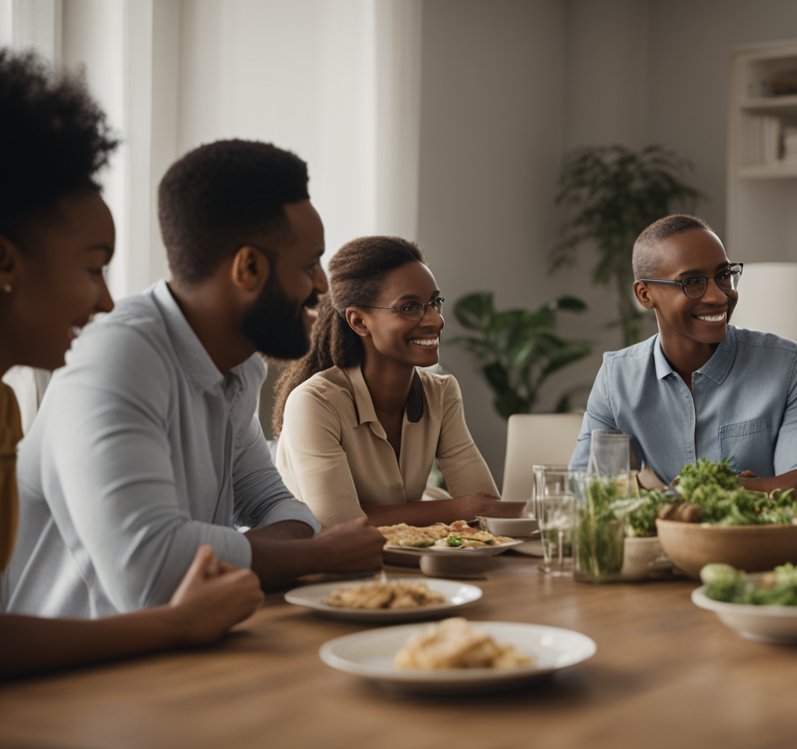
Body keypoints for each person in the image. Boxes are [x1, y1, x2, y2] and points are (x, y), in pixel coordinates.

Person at [2, 137, 386, 620]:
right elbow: (154, 572)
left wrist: (210, 552)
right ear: (248, 268)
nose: (322, 286)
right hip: (79, 686)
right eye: (310, 264)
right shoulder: (118, 356)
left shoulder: (237, 363)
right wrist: (318, 555)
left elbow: (283, 509)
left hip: (178, 660)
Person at [0, 48, 261, 677]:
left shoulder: (4, 409)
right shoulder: (119, 356)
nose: (108, 299)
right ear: (5, 264)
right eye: (93, 267)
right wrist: (173, 624)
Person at [571, 214, 797, 499]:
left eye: (724, 276)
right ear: (644, 294)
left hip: (760, 541)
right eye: (692, 282)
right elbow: (587, 487)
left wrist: (716, 489)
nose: (718, 297)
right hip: (663, 541)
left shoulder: (788, 364)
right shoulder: (617, 378)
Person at [272, 235, 520, 525]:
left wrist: (563, 512)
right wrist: (460, 509)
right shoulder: (315, 402)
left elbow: (486, 508)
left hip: (402, 563)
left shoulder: (441, 393)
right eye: (409, 307)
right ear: (359, 321)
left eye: (434, 303)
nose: (435, 320)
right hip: (325, 567)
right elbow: (340, 524)